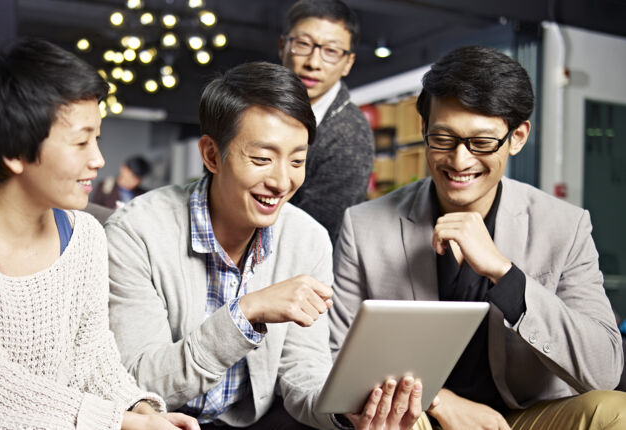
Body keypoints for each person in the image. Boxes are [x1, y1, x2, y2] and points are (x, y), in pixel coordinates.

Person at [0, 38, 198, 430]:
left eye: (97, 138)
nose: (98, 159)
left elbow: (94, 357)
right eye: (81, 141)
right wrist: (118, 423)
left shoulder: (85, 235)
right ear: (14, 151)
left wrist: (141, 411)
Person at [106, 61, 429, 430]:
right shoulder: (136, 232)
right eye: (261, 159)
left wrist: (344, 411)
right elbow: (138, 382)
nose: (281, 181)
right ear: (212, 155)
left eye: (297, 161)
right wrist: (245, 314)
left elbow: (302, 368)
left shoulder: (307, 239)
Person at [329, 45, 626, 430]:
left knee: (616, 411)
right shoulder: (364, 226)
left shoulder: (565, 226)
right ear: (423, 130)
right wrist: (440, 401)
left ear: (517, 137)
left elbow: (604, 368)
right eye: (443, 138)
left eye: (482, 143)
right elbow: (335, 360)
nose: (460, 161)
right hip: (420, 415)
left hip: (523, 416)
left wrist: (507, 275)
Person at [278, 0, 374, 245]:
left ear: (348, 63)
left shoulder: (350, 135)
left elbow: (313, 237)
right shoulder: (256, 110)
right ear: (283, 46)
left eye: (331, 51)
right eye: (303, 44)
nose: (313, 62)